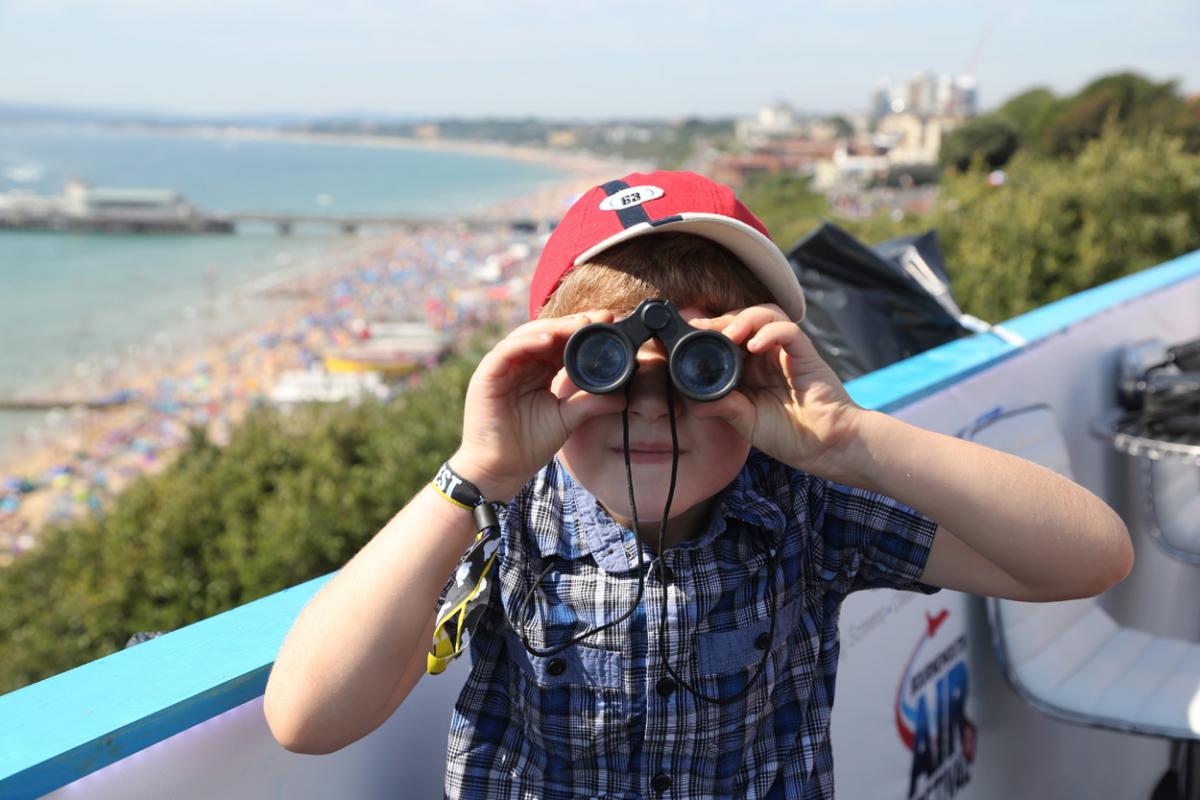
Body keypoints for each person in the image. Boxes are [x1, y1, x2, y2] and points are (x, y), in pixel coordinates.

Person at [264, 170, 1134, 798]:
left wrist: (851, 438)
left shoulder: (805, 505)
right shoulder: (505, 510)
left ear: (754, 375)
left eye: (697, 369)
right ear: (545, 370)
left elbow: (1087, 559)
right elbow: (307, 719)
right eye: (604, 369)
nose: (651, 407)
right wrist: (475, 474)